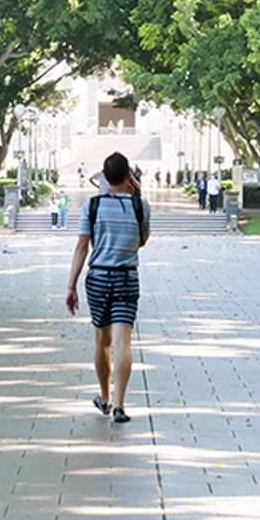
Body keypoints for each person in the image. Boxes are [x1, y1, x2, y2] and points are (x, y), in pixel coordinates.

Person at [66, 152, 150, 424]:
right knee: (123, 341)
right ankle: (121, 405)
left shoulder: (91, 207)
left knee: (103, 340)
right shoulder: (141, 206)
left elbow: (81, 247)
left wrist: (71, 286)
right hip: (127, 277)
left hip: (98, 278)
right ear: (130, 175)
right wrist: (135, 194)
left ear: (103, 175)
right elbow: (141, 242)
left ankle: (104, 397)